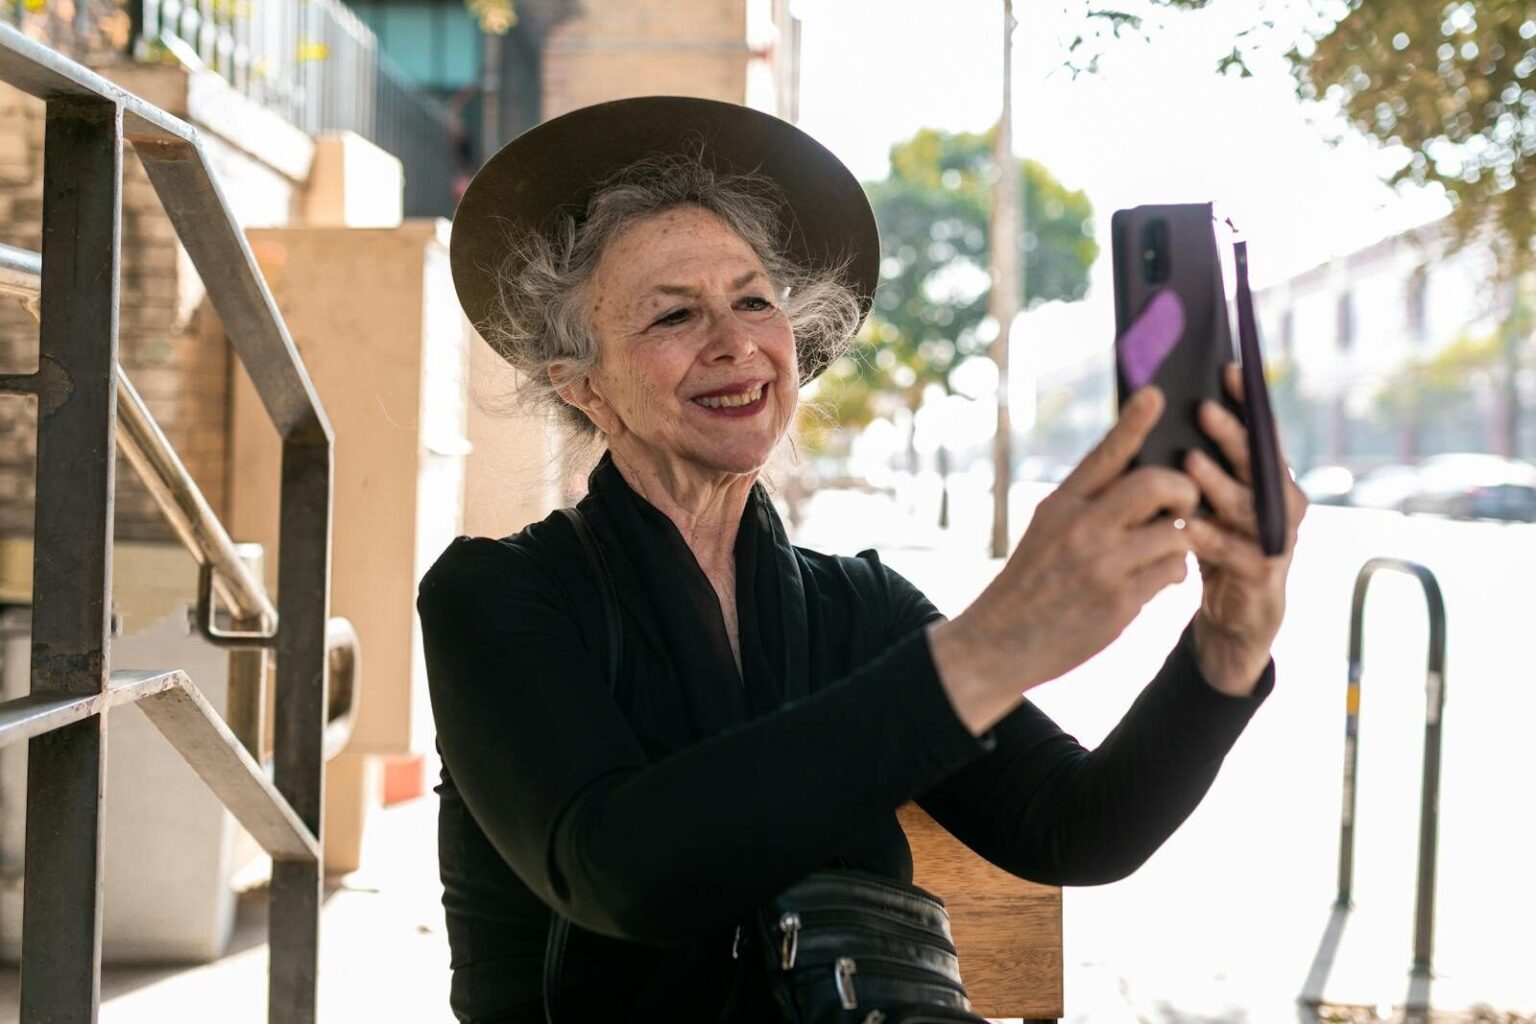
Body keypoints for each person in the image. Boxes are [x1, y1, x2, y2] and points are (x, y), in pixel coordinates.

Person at [420, 96, 1307, 1023]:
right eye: (674, 316)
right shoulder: (498, 596)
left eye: (755, 300)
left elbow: (1073, 827)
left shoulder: (862, 607)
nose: (736, 342)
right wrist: (996, 644)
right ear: (585, 388)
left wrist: (1227, 646)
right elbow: (619, 875)